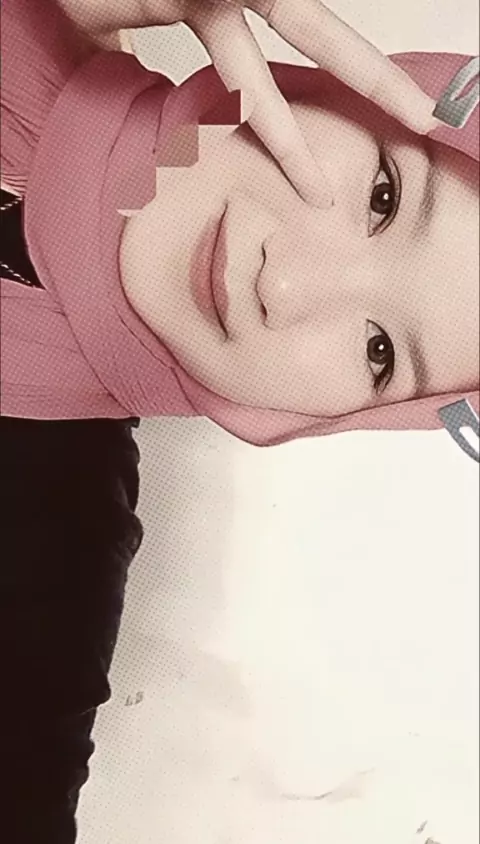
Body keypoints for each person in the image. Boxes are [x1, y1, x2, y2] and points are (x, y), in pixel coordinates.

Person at [0, 1, 478, 842]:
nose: (284, 287)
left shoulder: (43, 569)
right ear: (340, 90)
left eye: (378, 352)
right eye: (383, 196)